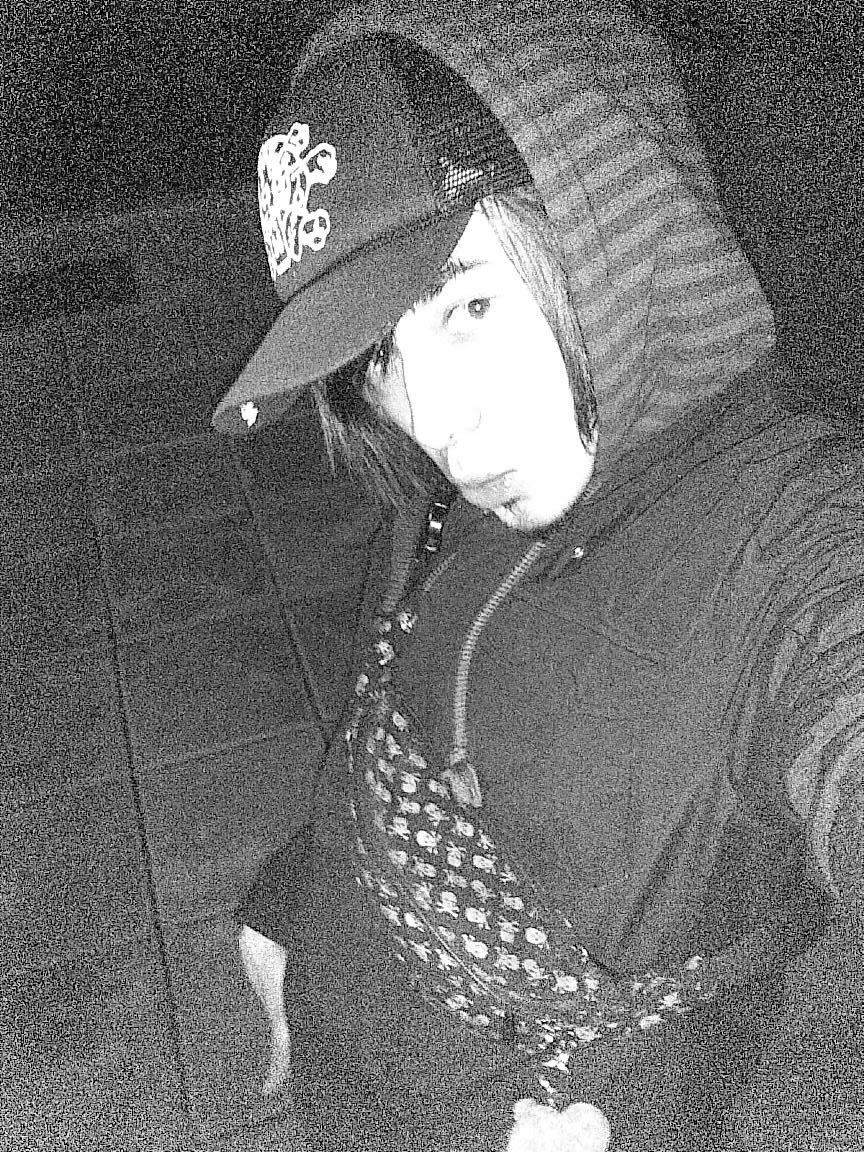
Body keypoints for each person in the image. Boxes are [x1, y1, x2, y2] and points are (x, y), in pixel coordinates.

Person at [211, 2, 863, 1149]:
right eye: (379, 354)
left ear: (613, 227)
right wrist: (293, 901)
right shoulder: (453, 493)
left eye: (468, 304)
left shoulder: (790, 543)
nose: (437, 423)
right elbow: (398, 715)